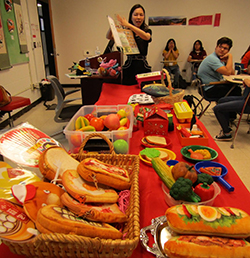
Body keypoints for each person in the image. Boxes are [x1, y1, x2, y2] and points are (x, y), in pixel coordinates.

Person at [106, 4, 152, 86]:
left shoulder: (147, 30)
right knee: (127, 89)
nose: (138, 17)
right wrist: (112, 26)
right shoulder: (126, 31)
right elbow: (109, 37)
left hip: (143, 65)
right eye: (135, 15)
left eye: (141, 15)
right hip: (129, 65)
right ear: (131, 17)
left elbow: (146, 37)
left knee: (144, 91)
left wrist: (129, 25)